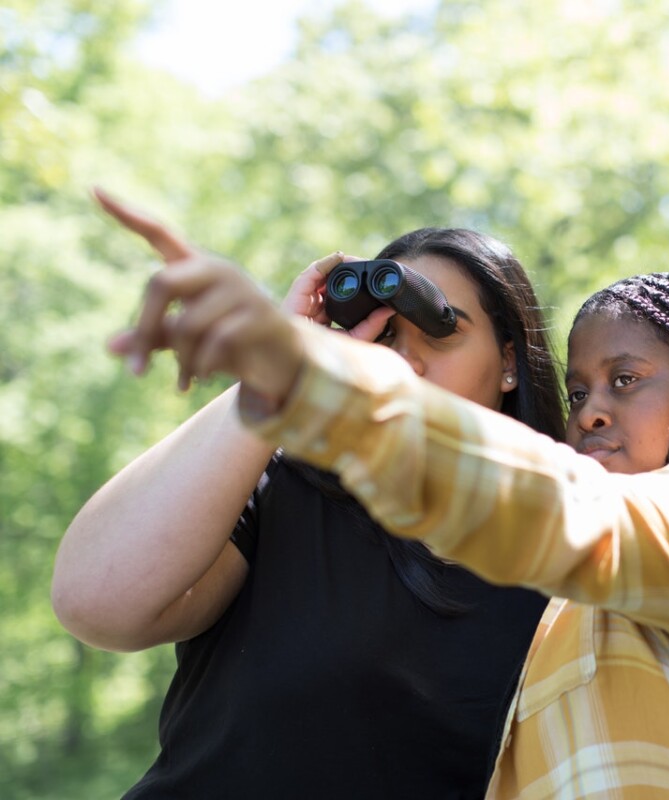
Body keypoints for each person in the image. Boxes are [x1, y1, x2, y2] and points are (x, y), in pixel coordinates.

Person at [97, 202, 669, 799]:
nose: (592, 411)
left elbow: (571, 520)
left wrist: (320, 388)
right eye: (579, 390)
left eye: (626, 381)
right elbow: (103, 601)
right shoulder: (570, 619)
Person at [51, 190, 565, 798]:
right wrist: (277, 375)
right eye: (388, 336)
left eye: (440, 331)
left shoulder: (568, 564)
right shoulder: (286, 491)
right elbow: (96, 602)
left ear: (510, 362)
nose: (407, 365)